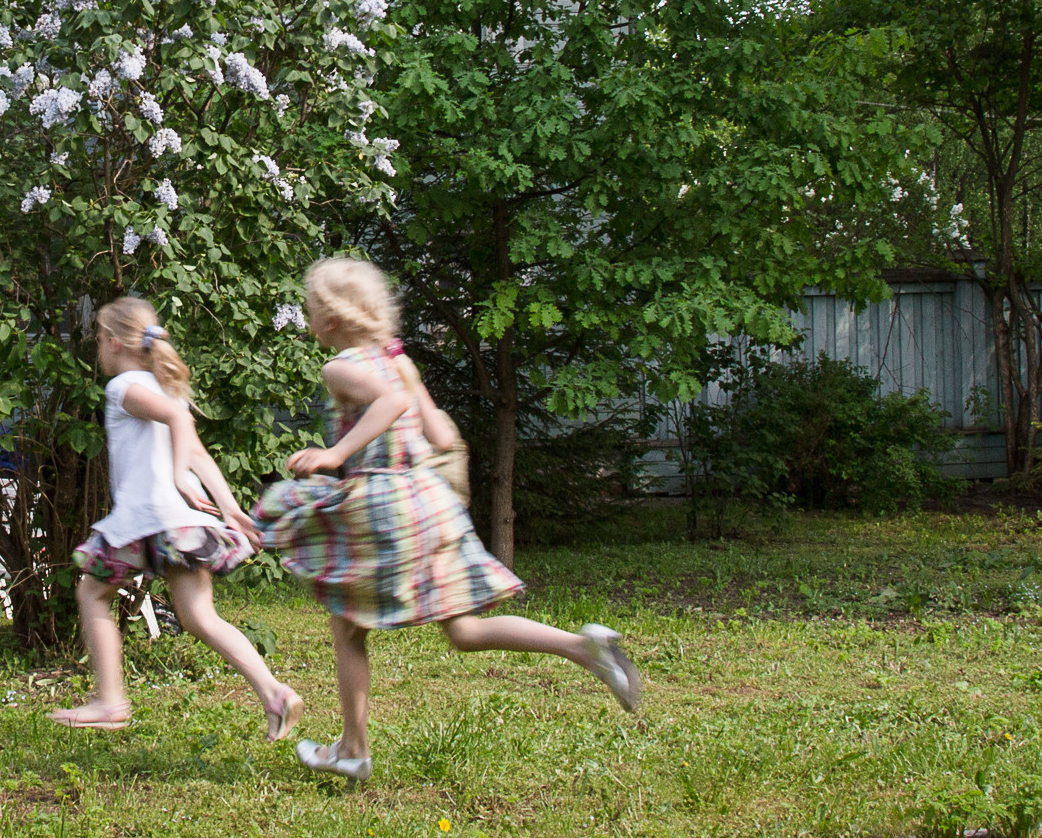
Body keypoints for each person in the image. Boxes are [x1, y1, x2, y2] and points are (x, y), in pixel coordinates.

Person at [254, 258, 643, 782]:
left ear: (330, 316)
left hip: (384, 504)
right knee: (463, 628)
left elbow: (389, 405)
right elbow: (438, 433)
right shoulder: (400, 363)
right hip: (427, 502)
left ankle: (353, 748)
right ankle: (583, 646)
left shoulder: (341, 367)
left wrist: (335, 453)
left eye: (311, 306)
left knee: (347, 628)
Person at [47, 296, 303, 738]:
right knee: (200, 618)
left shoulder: (123, 386)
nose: (97, 350)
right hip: (177, 524)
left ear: (111, 342)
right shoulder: (160, 385)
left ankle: (111, 702)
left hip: (146, 520)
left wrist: (181, 474)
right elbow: (199, 449)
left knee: (92, 594)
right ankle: (274, 693)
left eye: (97, 342)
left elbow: (181, 434)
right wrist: (230, 509)